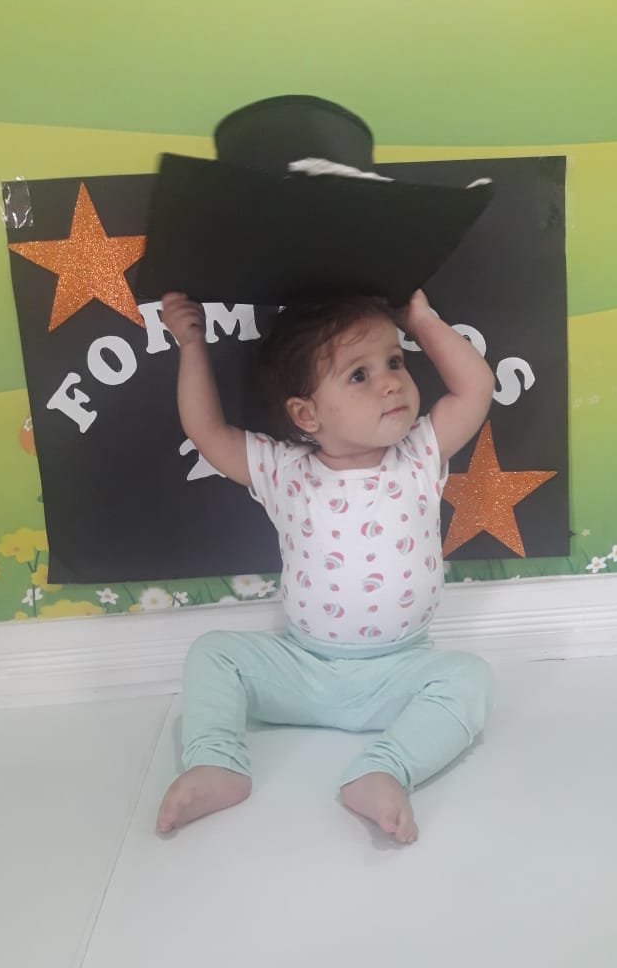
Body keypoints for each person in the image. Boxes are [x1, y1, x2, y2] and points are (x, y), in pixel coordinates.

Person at [157, 288, 495, 843]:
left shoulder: (419, 454)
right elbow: (207, 432)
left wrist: (422, 319)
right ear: (306, 413)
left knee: (471, 679)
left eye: (395, 361)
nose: (390, 382)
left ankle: (385, 769)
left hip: (401, 671)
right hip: (303, 669)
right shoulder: (284, 470)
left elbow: (475, 387)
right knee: (212, 653)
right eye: (359, 375)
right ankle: (216, 762)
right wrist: (190, 346)